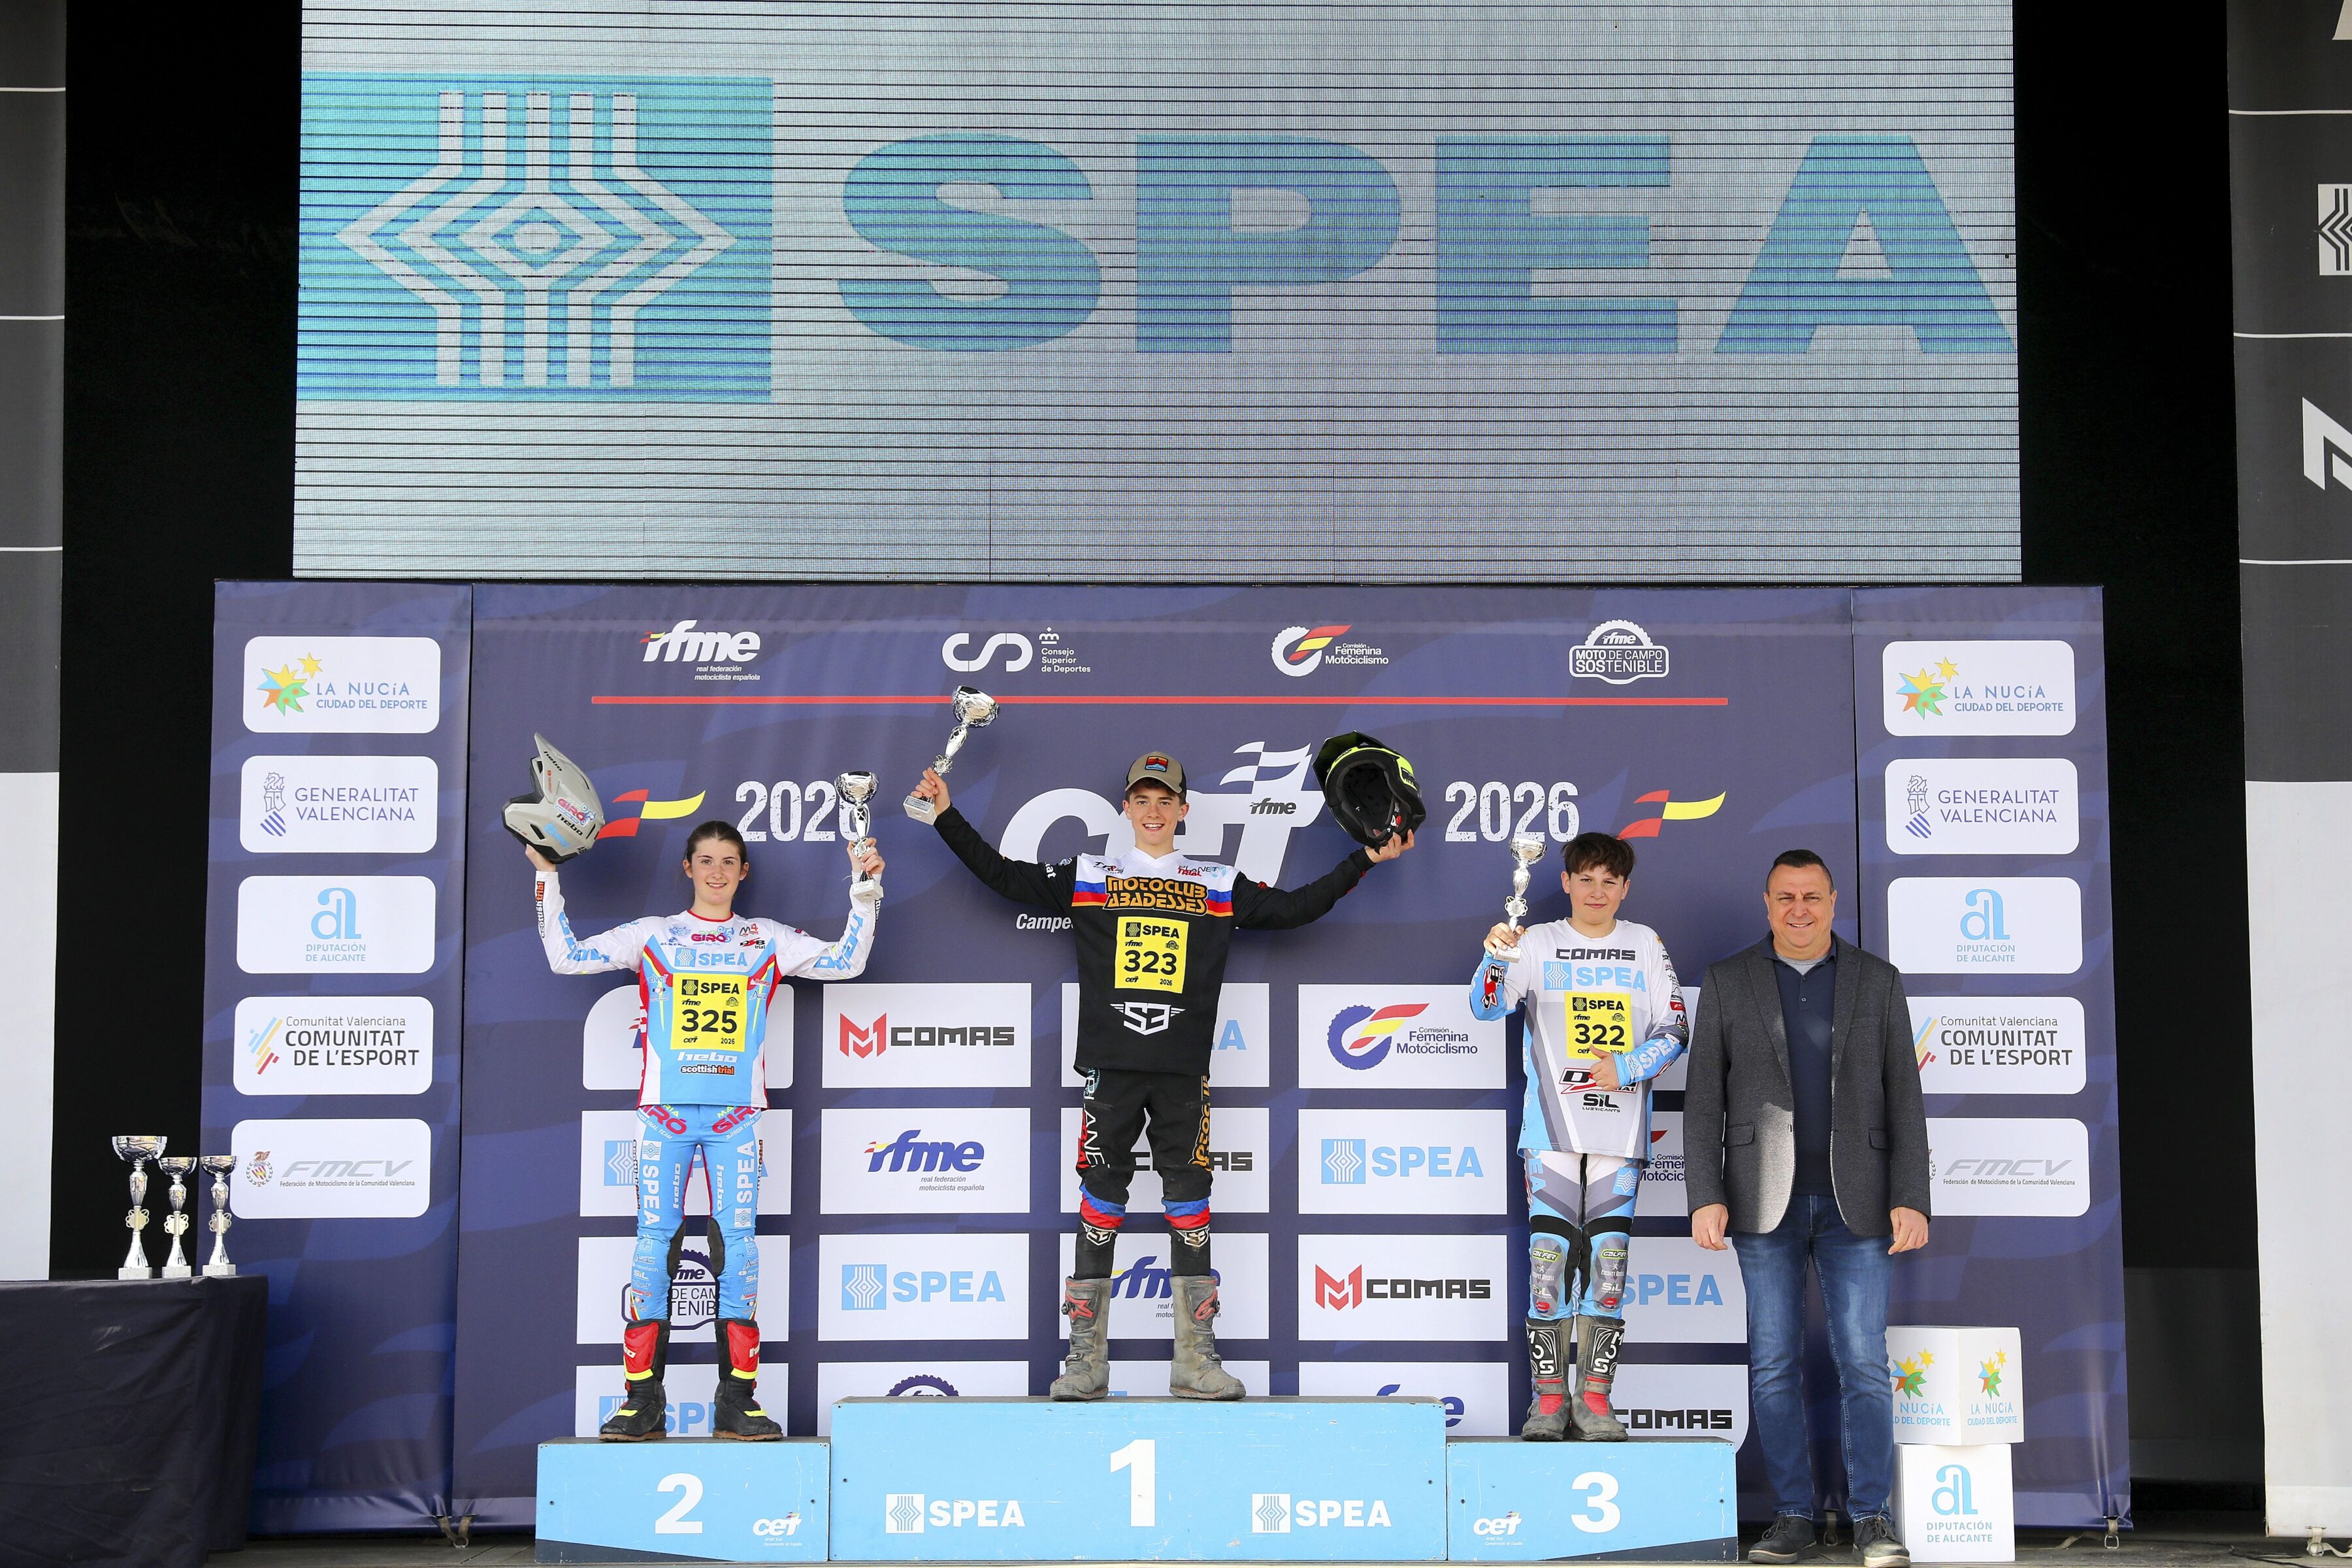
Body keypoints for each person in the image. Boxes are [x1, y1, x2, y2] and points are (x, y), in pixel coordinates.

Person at [911, 750, 1413, 1399]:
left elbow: (1293, 909)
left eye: (1165, 800)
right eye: (1142, 799)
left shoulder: (1214, 880)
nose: (1153, 811)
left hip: (1181, 1072)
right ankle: (1085, 1364)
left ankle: (1195, 1362)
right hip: (1110, 1069)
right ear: (1126, 807)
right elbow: (1004, 877)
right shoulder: (1091, 872)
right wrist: (947, 817)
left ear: (1183, 810)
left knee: (1191, 1207)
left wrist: (1363, 861)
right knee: (1099, 1205)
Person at [529, 821, 883, 1440]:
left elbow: (848, 960)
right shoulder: (654, 935)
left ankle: (737, 1401)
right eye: (706, 860)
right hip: (664, 1115)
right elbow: (566, 957)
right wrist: (546, 876)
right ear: (687, 869)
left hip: (734, 1118)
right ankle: (642, 1402)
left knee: (738, 1251)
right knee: (652, 1249)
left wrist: (864, 889)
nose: (717, 872)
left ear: (744, 872)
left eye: (728, 861)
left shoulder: (765, 938)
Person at [1683, 850, 1929, 1567]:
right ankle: (1792, 1515)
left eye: (1812, 897)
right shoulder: (1727, 980)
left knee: (1865, 1363)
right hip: (1762, 1202)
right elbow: (1703, 1100)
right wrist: (1705, 1195)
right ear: (1767, 903)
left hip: (1862, 1204)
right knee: (1773, 1363)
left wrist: (1911, 1196)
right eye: (1786, 897)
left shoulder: (1878, 980)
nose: (1799, 909)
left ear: (1832, 901)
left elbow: (1906, 1098)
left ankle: (1872, 1517)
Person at [1467, 831, 1688, 1441]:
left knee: (1609, 1268)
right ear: (1564, 882)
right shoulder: (1536, 941)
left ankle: (1594, 1400)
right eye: (1585, 879)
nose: (1597, 891)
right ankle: (1548, 1402)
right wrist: (1495, 958)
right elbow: (1485, 1007)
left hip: (1621, 1132)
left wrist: (1629, 1066)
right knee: (1549, 1269)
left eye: (1609, 881)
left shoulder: (1645, 943)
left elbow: (1675, 1028)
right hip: (1552, 1130)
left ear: (1625, 888)